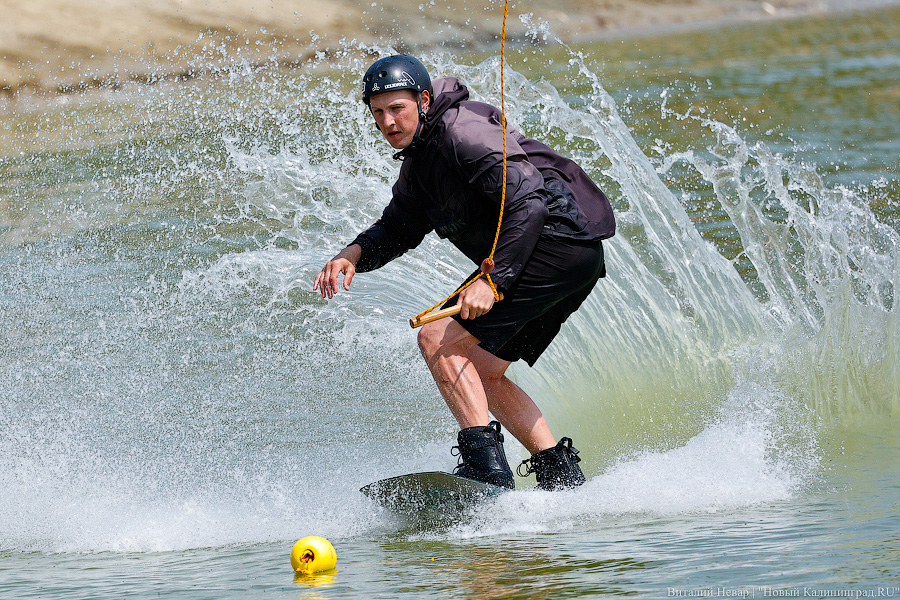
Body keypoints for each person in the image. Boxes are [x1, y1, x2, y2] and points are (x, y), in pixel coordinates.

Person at [314, 55, 615, 491]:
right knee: (479, 370)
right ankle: (560, 476)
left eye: (397, 108)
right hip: (566, 257)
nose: (388, 122)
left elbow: (528, 201)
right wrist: (352, 255)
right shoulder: (420, 165)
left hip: (554, 244)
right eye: (377, 112)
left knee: (435, 338)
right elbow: (398, 226)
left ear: (423, 99)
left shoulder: (461, 134)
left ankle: (486, 472)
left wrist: (492, 281)